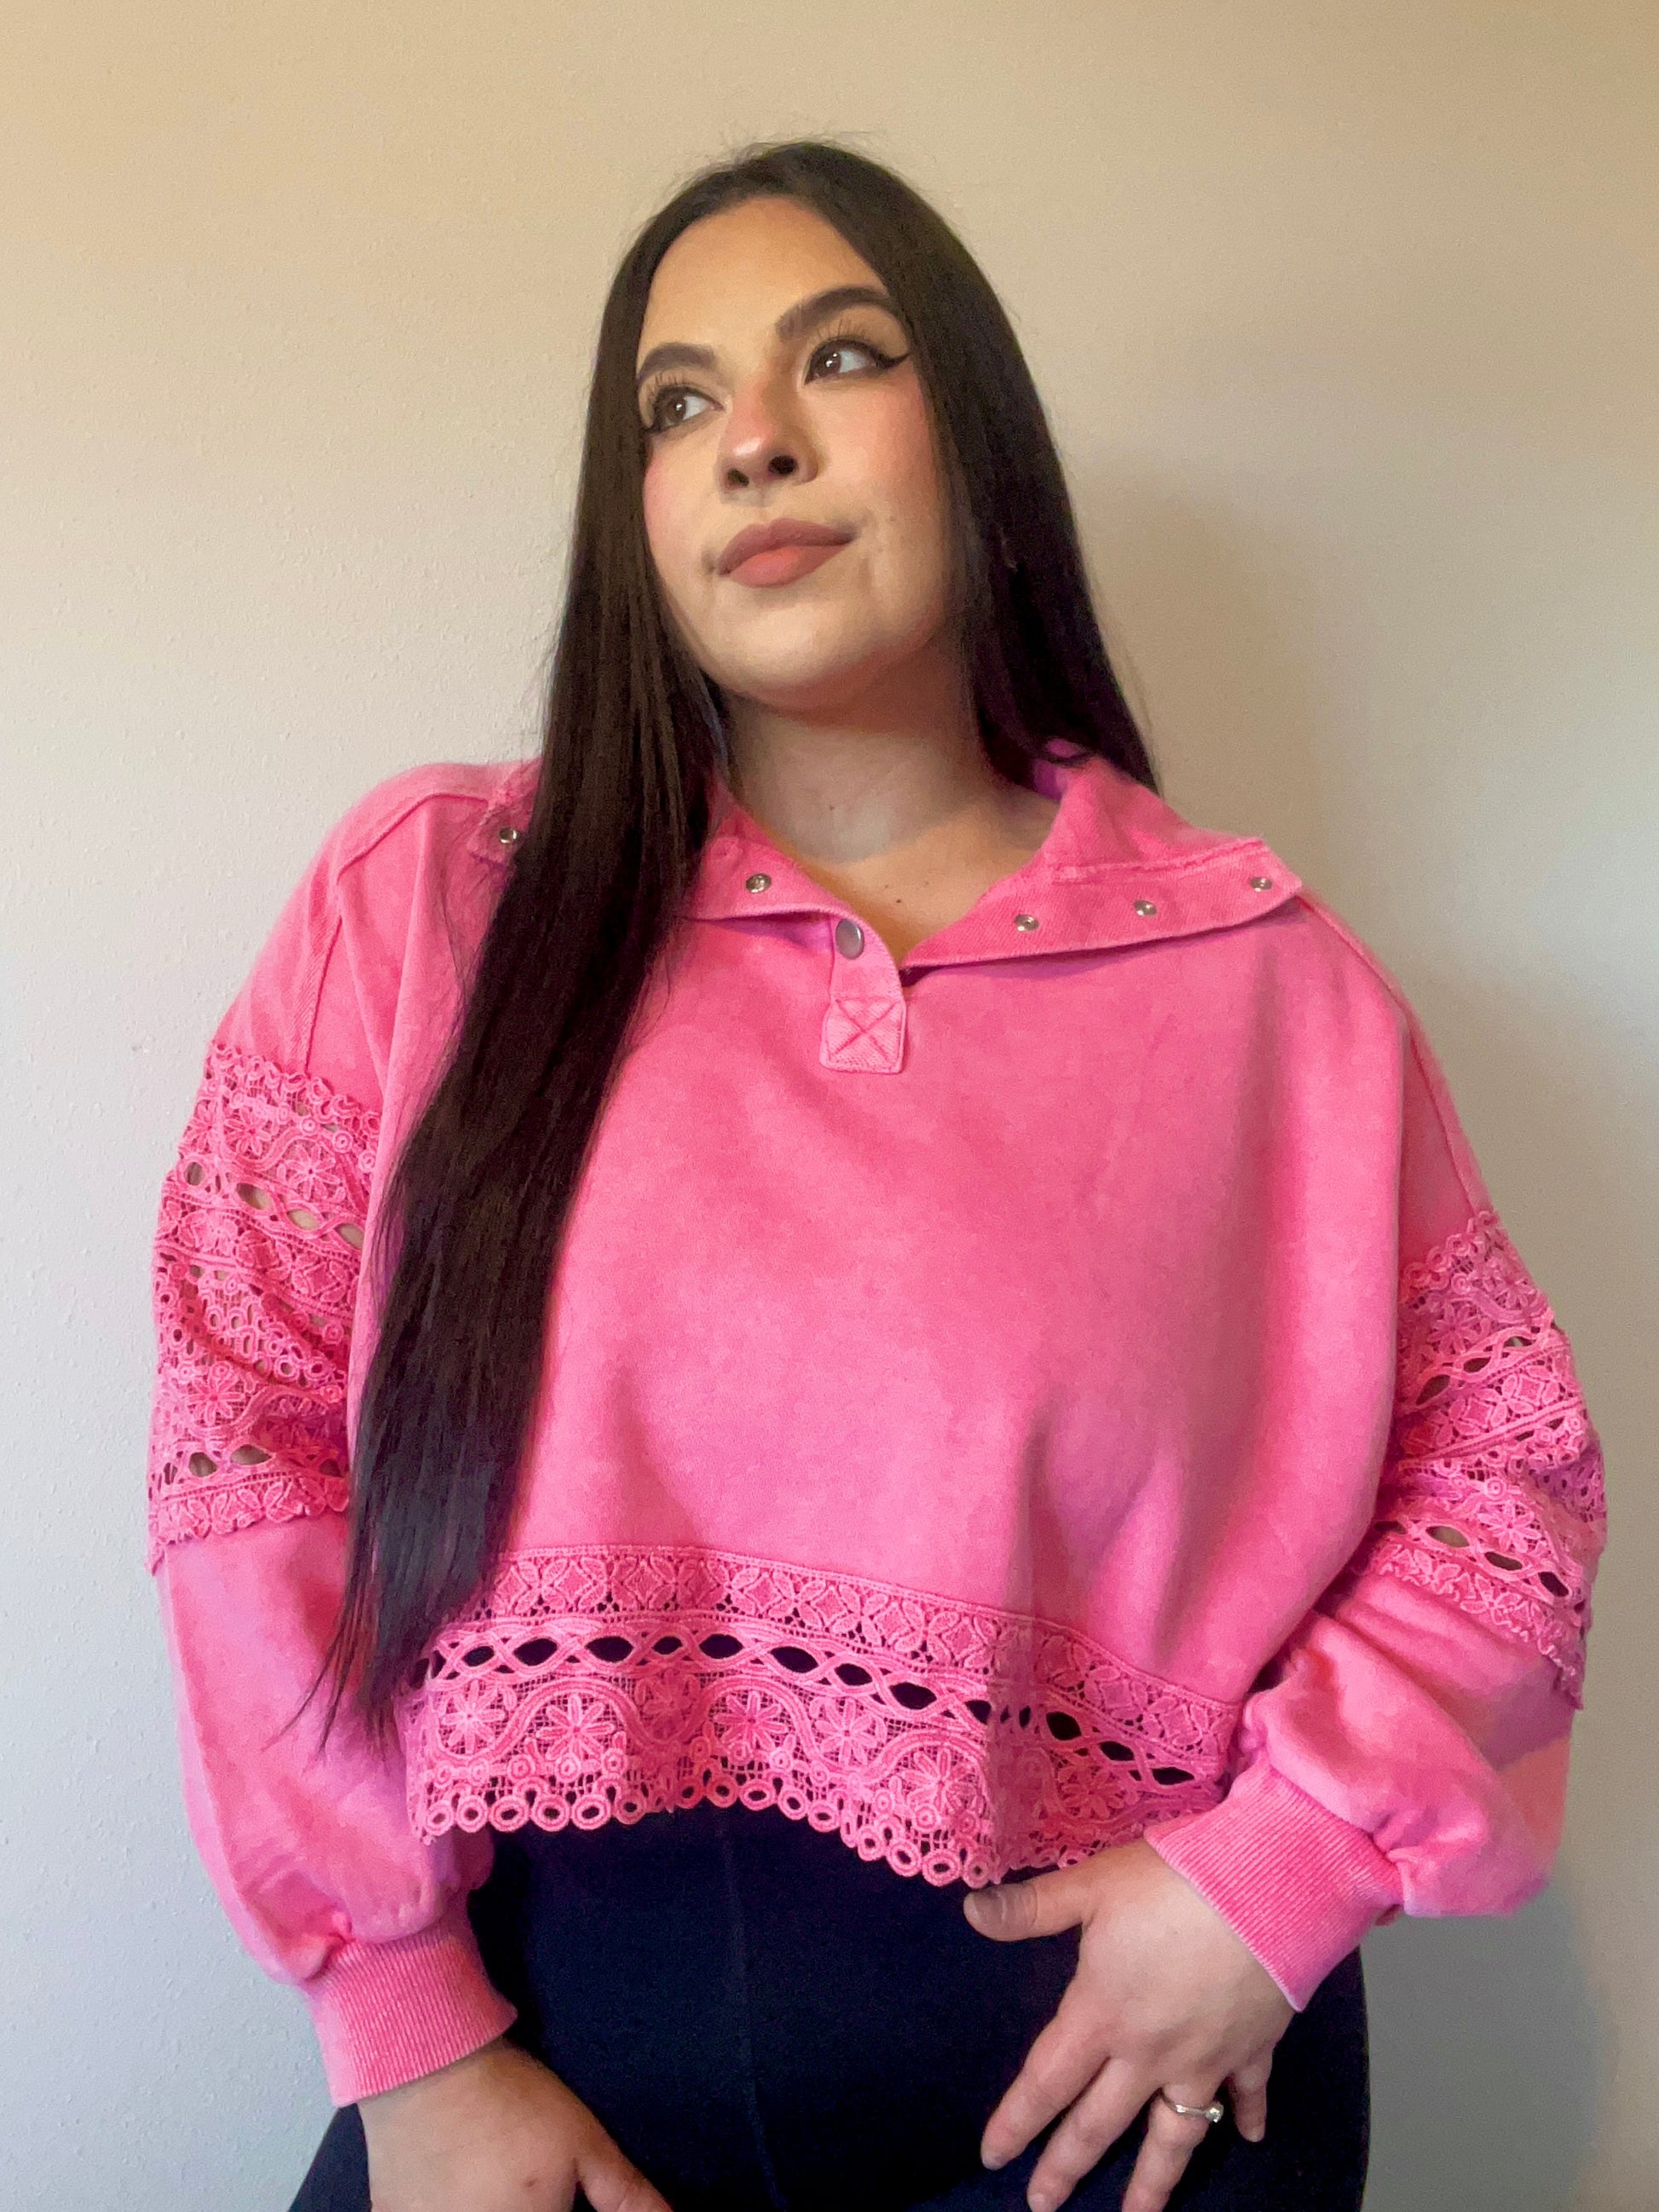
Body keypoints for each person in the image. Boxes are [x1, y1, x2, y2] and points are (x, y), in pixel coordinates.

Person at [144, 141, 1604, 2212]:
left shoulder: (1272, 988)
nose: (752, 439)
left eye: (839, 356)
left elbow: (1508, 1472)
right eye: (676, 403)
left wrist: (1277, 1871)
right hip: (530, 2077)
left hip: (1130, 2108)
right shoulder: (433, 907)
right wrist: (412, 2035)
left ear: (978, 440)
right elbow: (242, 1440)